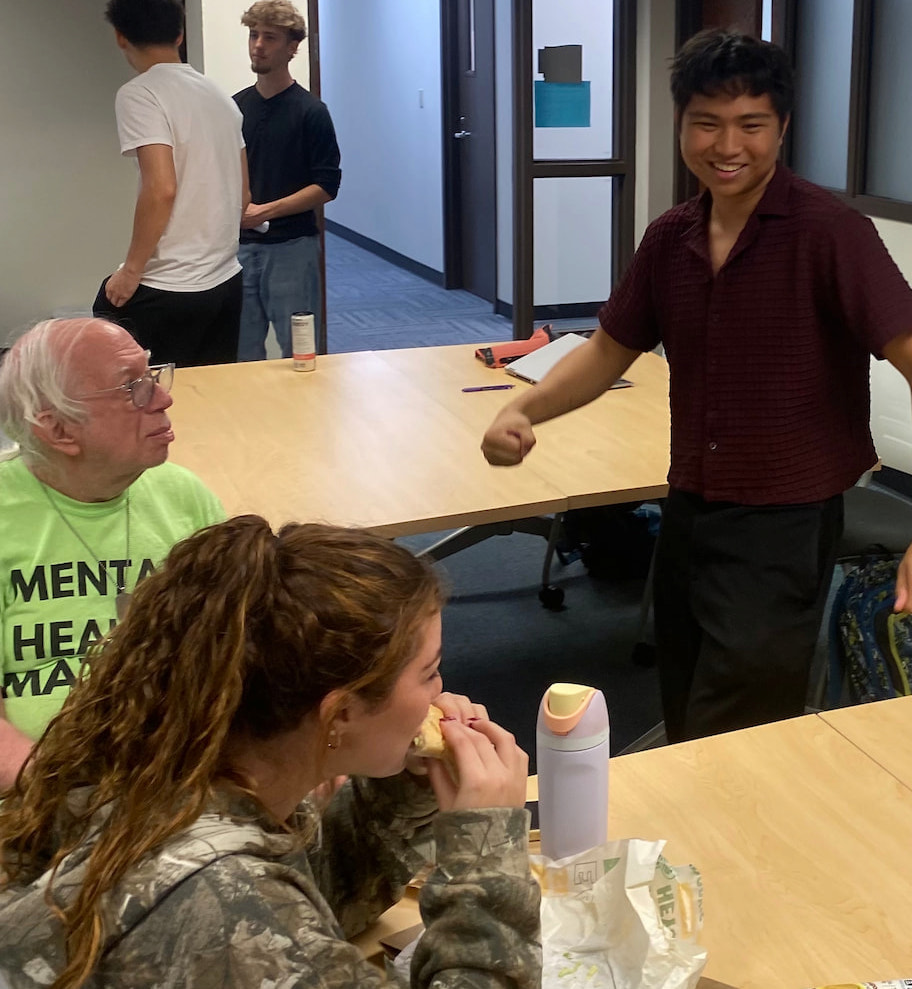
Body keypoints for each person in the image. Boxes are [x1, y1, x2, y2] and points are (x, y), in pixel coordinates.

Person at [481, 29, 912, 743]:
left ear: (783, 128)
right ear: (681, 124)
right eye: (706, 122)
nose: (726, 145)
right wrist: (523, 405)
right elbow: (609, 350)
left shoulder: (830, 233)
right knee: (683, 703)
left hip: (784, 523)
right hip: (690, 506)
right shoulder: (670, 237)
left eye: (751, 125)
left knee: (739, 729)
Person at [0, 517, 540, 989]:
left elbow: (309, 908)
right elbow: (250, 918)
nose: (441, 692)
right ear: (341, 714)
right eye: (428, 672)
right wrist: (487, 862)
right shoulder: (215, 900)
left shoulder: (190, 763)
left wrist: (404, 789)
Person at [0, 317, 224, 788]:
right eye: (132, 388)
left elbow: (241, 645)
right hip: (41, 790)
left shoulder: (184, 497)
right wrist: (60, 792)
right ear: (59, 430)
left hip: (183, 775)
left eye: (151, 374)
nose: (163, 398)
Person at [93, 0, 249, 368]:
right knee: (208, 396)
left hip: (170, 287)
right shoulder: (222, 99)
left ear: (120, 37)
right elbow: (244, 197)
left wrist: (131, 270)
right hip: (226, 282)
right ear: (179, 34)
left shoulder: (140, 94)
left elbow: (161, 188)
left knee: (140, 396)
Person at [235, 0, 341, 361]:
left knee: (300, 353)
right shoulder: (235, 108)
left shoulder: (311, 112)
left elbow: (327, 185)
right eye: (253, 35)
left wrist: (267, 210)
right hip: (237, 251)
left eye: (270, 37)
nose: (258, 45)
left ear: (292, 47)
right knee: (240, 354)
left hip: (293, 249)